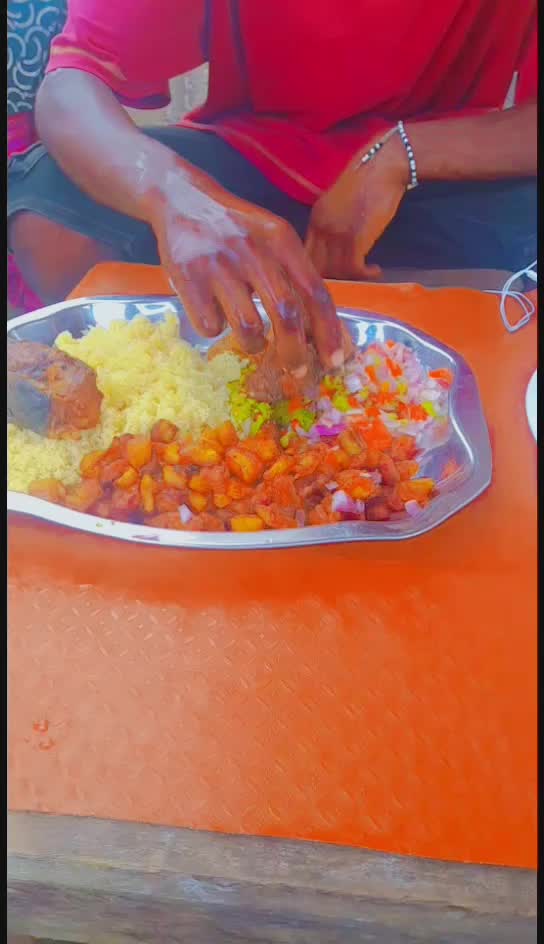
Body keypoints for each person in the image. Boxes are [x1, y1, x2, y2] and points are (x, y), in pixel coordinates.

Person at [7, 0, 537, 376]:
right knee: (51, 214)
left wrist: (402, 154)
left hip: (441, 169)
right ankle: (169, 390)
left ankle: (452, 381)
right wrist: (178, 198)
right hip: (253, 156)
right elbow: (71, 82)